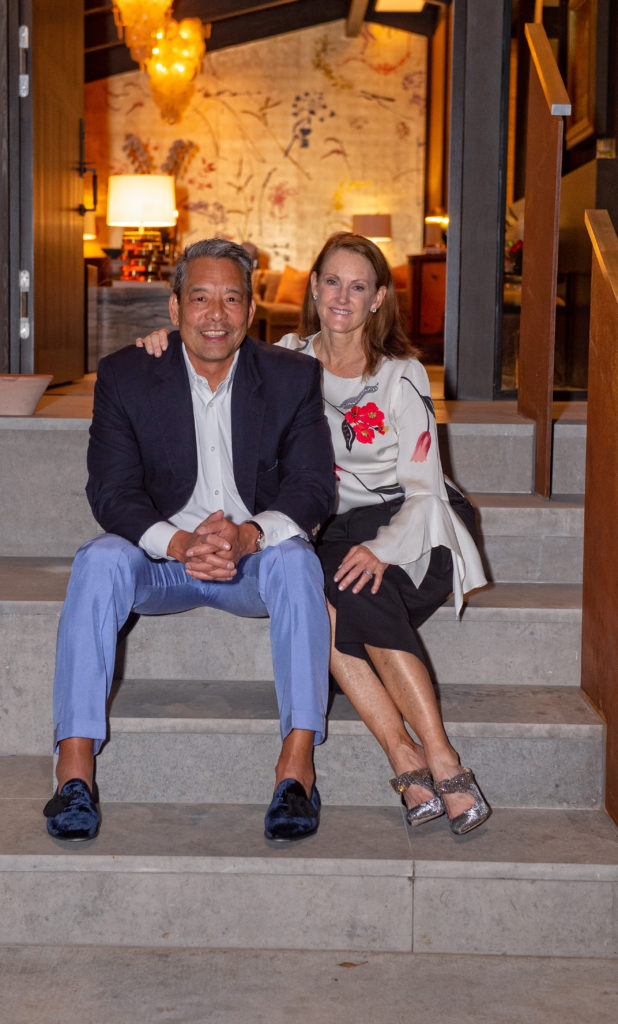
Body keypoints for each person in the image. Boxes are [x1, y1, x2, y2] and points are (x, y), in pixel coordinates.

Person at [138, 232, 491, 836]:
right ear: (313, 288)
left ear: (379, 297)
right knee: (318, 597)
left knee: (356, 587)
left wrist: (381, 548)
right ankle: (405, 755)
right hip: (331, 525)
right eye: (332, 282)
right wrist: (167, 341)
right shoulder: (283, 356)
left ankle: (435, 757)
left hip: (416, 521)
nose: (343, 298)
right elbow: (213, 343)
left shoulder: (402, 376)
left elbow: (426, 488)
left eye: (359, 286)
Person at [44, 238, 336, 844]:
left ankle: (296, 766)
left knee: (299, 562)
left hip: (251, 563)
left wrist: (251, 535)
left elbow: (311, 488)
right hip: (162, 560)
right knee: (98, 560)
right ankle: (74, 770)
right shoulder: (128, 374)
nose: (216, 314)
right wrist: (177, 544)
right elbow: (112, 492)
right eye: (200, 297)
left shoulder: (292, 377)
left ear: (250, 313)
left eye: (231, 299)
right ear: (174, 309)